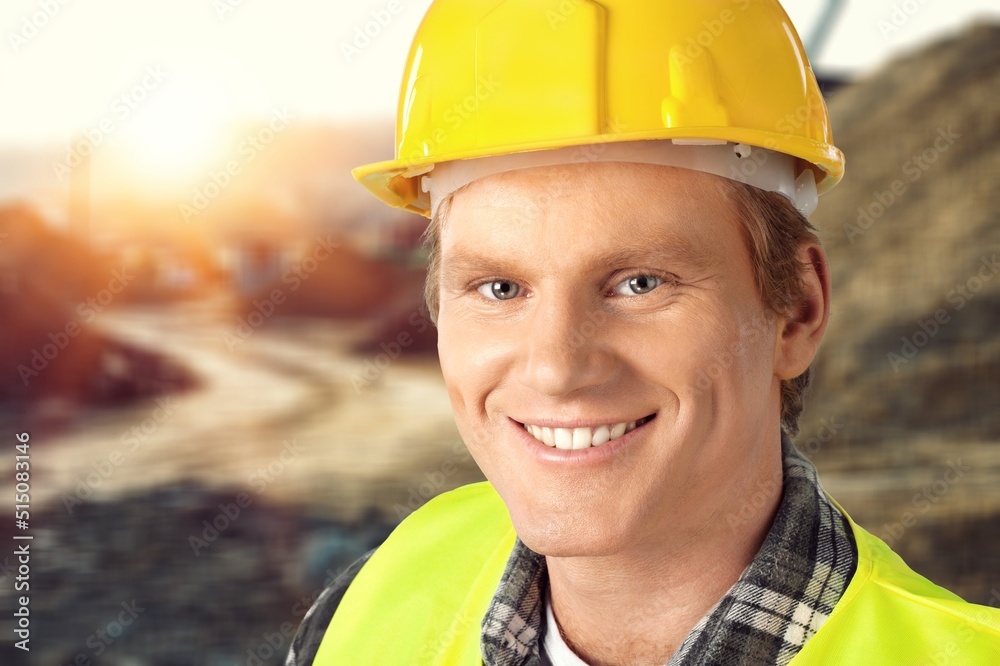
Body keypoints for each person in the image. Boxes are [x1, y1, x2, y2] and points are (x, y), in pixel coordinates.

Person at [288, 1, 1000, 663]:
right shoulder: (378, 592)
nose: (556, 368)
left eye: (640, 284)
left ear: (797, 310)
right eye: (500, 288)